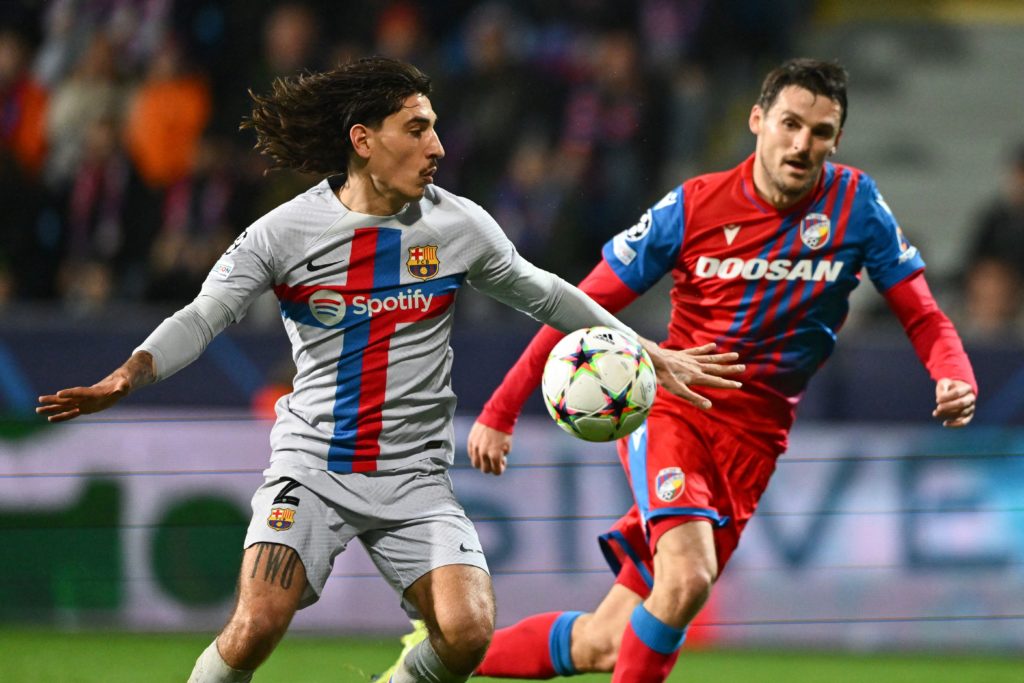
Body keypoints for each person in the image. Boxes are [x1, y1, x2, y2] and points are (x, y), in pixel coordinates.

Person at [35, 57, 742, 683]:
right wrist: (129, 375)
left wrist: (646, 350)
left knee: (468, 634)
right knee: (255, 627)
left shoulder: (457, 226)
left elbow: (546, 291)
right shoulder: (283, 233)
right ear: (363, 141)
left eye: (435, 128)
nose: (436, 146)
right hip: (313, 465)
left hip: (413, 478)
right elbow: (202, 315)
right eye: (416, 129)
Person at [385, 58, 979, 682]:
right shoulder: (694, 207)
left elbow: (922, 313)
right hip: (676, 405)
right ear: (758, 121)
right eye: (790, 124)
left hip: (756, 438)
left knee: (603, 643)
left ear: (836, 139)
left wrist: (953, 370)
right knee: (687, 577)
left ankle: (428, 658)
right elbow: (580, 303)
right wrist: (503, 409)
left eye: (821, 132)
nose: (802, 144)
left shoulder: (857, 207)